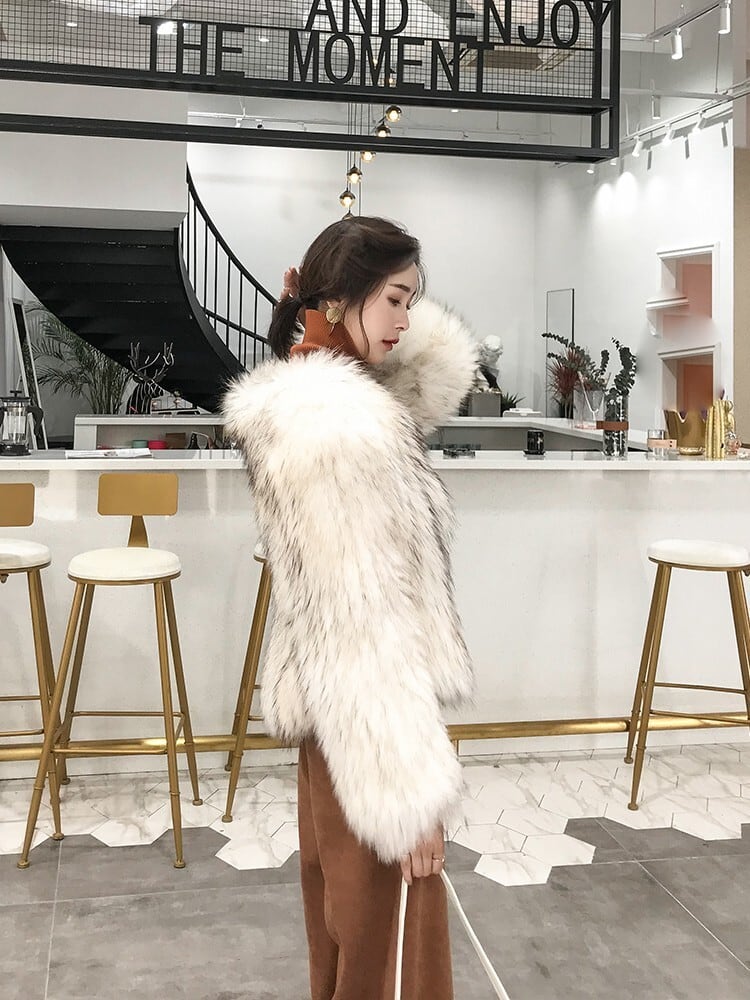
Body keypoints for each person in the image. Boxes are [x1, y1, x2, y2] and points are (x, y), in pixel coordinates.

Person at [223, 216, 477, 1000]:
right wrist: (410, 798)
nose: (406, 321)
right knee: (382, 956)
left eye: (412, 302)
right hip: (367, 733)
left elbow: (427, 377)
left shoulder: (320, 400)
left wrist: (327, 315)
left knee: (345, 941)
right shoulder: (340, 429)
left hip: (331, 725)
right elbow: (361, 626)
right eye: (395, 299)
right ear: (343, 297)